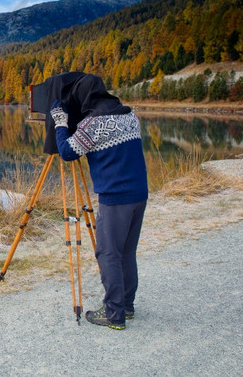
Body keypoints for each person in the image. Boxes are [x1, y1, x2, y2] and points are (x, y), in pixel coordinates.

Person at [49, 73, 148, 330]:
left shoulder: (94, 125)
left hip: (115, 198)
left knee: (108, 253)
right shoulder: (129, 115)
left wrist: (60, 122)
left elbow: (68, 152)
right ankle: (126, 306)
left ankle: (114, 314)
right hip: (139, 194)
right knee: (126, 252)